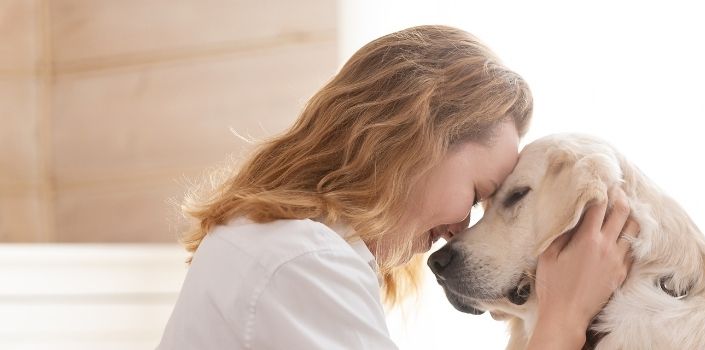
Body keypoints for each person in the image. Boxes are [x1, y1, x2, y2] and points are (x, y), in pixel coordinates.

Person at [157, 25, 635, 349]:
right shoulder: (299, 261)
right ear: (417, 140)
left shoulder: (281, 244)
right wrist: (564, 317)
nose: (460, 229)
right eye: (475, 195)